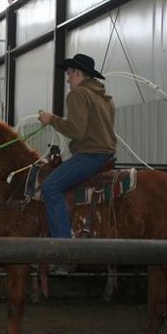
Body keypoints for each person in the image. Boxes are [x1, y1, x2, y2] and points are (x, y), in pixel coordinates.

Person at [38, 53, 116, 241]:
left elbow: (76, 130)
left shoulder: (78, 94)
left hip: (89, 155)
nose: (67, 79)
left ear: (78, 73)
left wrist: (52, 120)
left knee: (50, 187)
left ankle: (64, 249)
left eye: (69, 74)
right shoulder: (105, 97)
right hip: (106, 155)